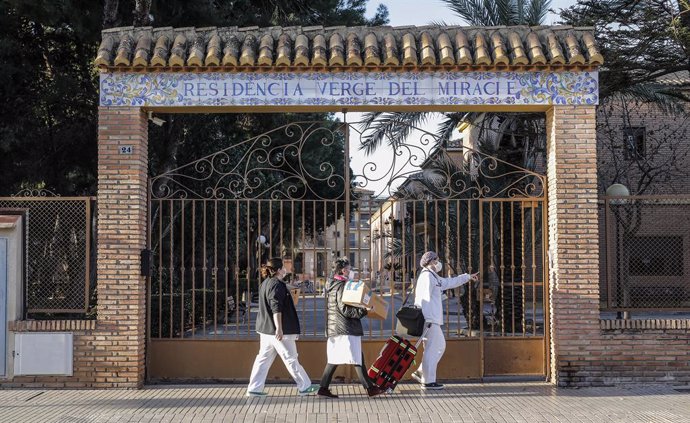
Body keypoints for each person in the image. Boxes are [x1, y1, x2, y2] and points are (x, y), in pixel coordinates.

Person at [247, 258, 319, 397]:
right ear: (279, 270)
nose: (286, 269)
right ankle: (305, 386)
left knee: (263, 359)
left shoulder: (266, 283)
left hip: (265, 329)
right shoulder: (277, 285)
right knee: (291, 358)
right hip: (279, 331)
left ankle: (254, 388)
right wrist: (279, 328)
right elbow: (276, 308)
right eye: (284, 267)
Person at [411, 251, 479, 390]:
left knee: (433, 348)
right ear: (431, 261)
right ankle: (428, 380)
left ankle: (422, 373)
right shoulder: (427, 277)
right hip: (429, 319)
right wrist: (428, 319)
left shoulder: (433, 276)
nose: (439, 262)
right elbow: (423, 299)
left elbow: (449, 282)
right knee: (437, 347)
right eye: (437, 259)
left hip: (431, 319)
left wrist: (467, 277)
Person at [317, 257, 384, 399]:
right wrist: (364, 311)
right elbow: (345, 309)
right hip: (345, 328)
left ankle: (323, 388)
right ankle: (370, 388)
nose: (350, 271)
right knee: (357, 358)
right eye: (349, 268)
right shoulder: (341, 285)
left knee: (337, 359)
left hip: (336, 327)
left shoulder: (333, 284)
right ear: (343, 270)